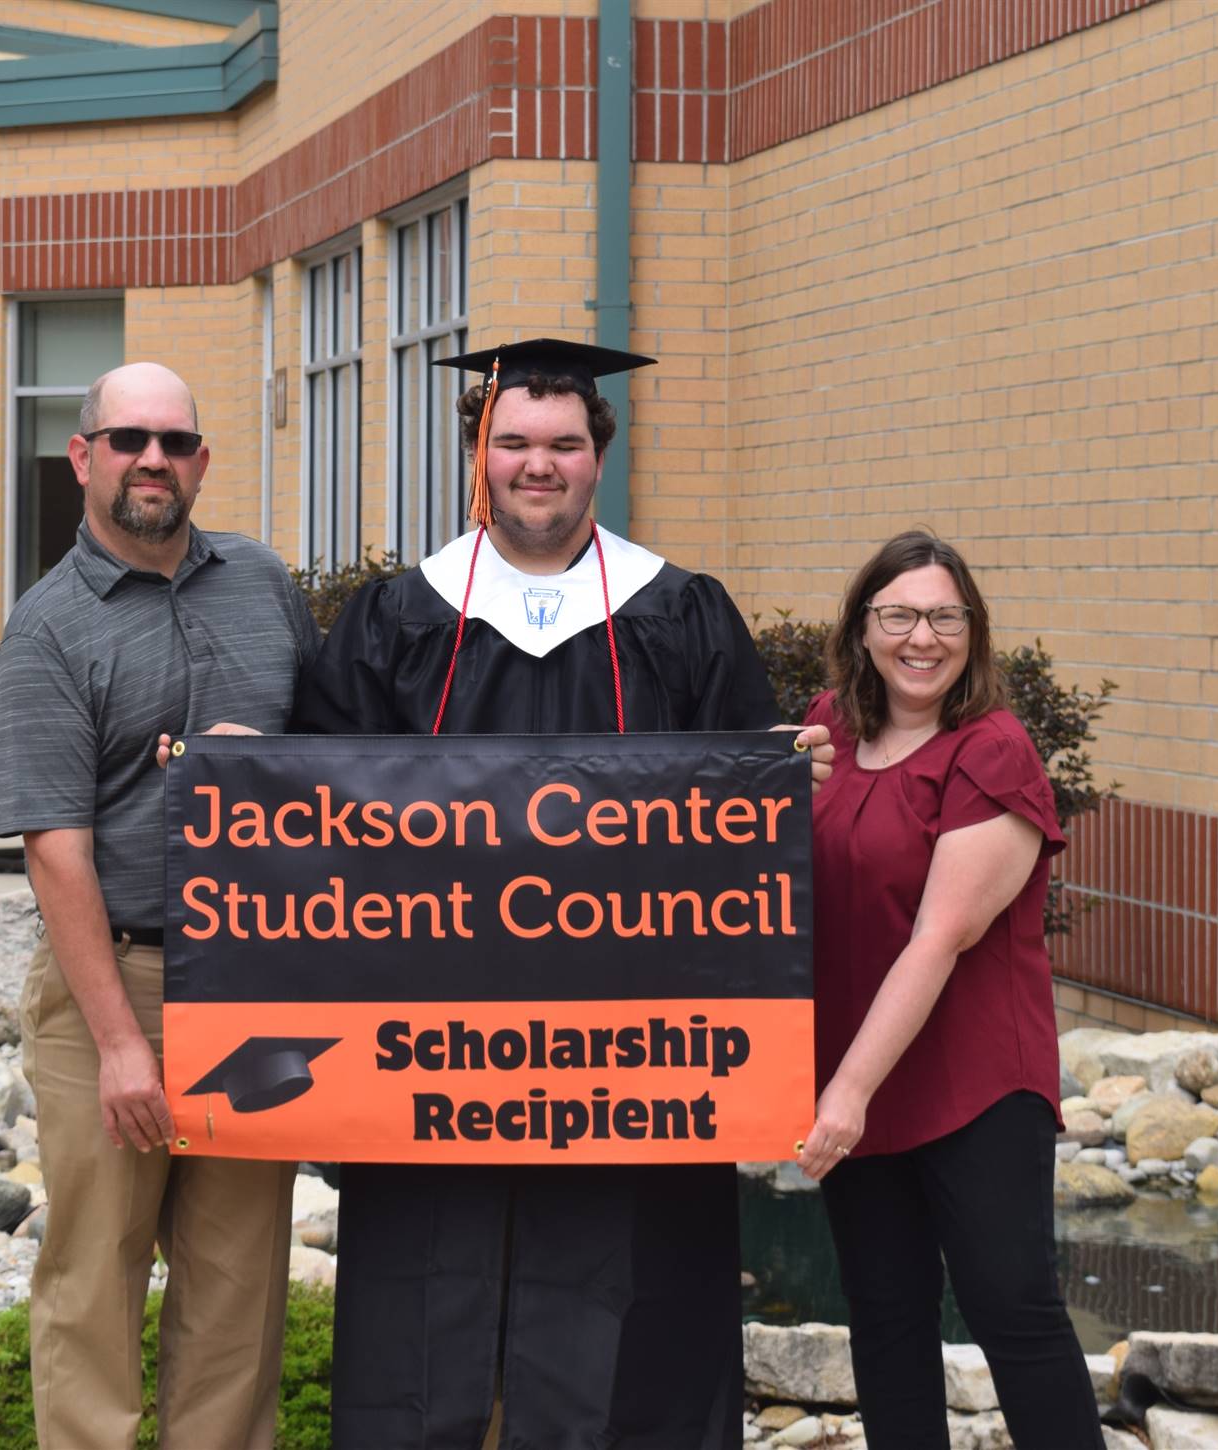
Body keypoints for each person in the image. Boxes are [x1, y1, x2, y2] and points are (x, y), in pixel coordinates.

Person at [292, 337, 834, 1450]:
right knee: (428, 1279)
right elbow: (316, 818)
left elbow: (742, 837)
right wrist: (228, 769)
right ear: (479, 455)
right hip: (433, 1042)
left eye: (563, 445)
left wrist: (779, 774)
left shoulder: (679, 612)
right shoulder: (401, 619)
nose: (539, 465)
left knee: (629, 1281)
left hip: (630, 1047)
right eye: (515, 444)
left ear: (600, 457)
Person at [0, 361, 321, 1450]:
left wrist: (271, 768)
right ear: (83, 458)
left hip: (257, 986)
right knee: (93, 1283)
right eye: (128, 440)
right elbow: (56, 852)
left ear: (202, 462)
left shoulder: (264, 584)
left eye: (175, 442)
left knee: (238, 1290)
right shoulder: (47, 628)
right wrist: (123, 1043)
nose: (153, 461)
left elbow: (340, 766)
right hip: (116, 985)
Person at [796, 531, 1103, 1447]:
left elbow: (939, 938)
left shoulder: (991, 751)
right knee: (885, 1314)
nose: (919, 637)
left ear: (973, 631)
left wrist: (845, 1095)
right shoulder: (833, 729)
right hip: (859, 1058)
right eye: (897, 615)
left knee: (1012, 1310)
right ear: (862, 629)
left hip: (973, 1080)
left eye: (943, 616)